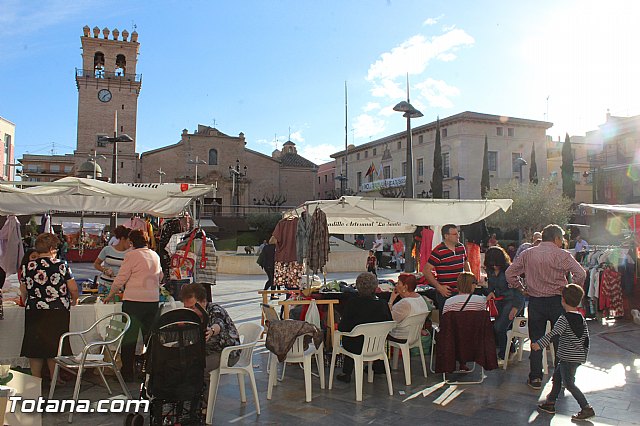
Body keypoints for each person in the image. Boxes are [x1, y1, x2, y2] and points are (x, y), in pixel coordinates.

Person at [506, 224, 586, 390]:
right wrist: (570, 291)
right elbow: (581, 273)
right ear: (556, 238)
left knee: (536, 339)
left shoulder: (528, 254)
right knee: (559, 340)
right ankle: (560, 379)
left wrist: (521, 287)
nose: (562, 242)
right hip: (558, 301)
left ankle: (535, 377)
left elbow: (510, 273)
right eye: (561, 238)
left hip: (536, 301)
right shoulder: (562, 254)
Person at [104, 229, 163, 382]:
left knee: (129, 339)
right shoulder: (154, 255)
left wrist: (110, 294)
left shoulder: (131, 255)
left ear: (131, 242)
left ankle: (127, 373)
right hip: (152, 301)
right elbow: (161, 276)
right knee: (150, 338)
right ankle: (150, 370)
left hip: (134, 301)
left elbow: (121, 278)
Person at [19, 233, 79, 380]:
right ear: (52, 248)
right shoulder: (61, 265)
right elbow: (73, 288)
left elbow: (23, 290)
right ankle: (54, 378)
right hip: (57, 310)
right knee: (54, 347)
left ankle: (36, 379)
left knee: (36, 347)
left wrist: (26, 300)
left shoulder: (28, 266)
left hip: (34, 310)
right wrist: (75, 300)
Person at [533, 284, 594, 421]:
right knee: (557, 378)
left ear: (563, 300)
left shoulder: (563, 319)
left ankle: (586, 407)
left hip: (567, 357)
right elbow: (586, 339)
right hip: (575, 357)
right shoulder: (581, 318)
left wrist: (539, 344)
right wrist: (583, 355)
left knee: (569, 384)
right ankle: (550, 402)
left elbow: (553, 334)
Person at [336, 272, 392, 383]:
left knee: (352, 337)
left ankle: (347, 373)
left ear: (358, 287)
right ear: (375, 287)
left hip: (355, 346)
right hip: (376, 346)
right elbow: (389, 323)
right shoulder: (382, 304)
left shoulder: (353, 303)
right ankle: (378, 366)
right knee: (373, 334)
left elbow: (343, 327)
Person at [180, 283, 240, 379]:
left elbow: (218, 324)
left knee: (199, 368)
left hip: (226, 352)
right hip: (206, 350)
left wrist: (211, 331)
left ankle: (205, 388)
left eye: (193, 307)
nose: (190, 311)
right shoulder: (192, 315)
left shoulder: (215, 310)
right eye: (187, 308)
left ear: (203, 302)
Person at [484, 246, 525, 364]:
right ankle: (510, 350)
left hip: (512, 300)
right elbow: (491, 286)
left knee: (500, 327)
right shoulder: (490, 271)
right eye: (492, 264)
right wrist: (490, 292)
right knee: (500, 327)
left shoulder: (510, 271)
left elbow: (519, 290)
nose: (494, 266)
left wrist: (515, 308)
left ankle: (503, 354)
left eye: (496, 263)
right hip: (500, 301)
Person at [423, 224, 471, 310]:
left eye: (458, 233)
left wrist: (470, 280)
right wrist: (439, 287)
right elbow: (426, 270)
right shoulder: (438, 251)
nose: (458, 236)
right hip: (446, 293)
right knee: (446, 317)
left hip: (461, 291)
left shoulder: (461, 247)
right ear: (446, 236)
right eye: (455, 234)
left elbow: (466, 263)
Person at [387, 274, 429, 342]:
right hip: (415, 335)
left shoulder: (405, 303)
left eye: (398, 283)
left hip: (402, 336)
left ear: (405, 287)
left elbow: (389, 320)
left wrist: (391, 300)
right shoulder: (420, 297)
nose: (396, 285)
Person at [93, 226, 131, 294]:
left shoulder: (131, 253)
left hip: (121, 287)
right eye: (129, 242)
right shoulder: (107, 249)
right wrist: (104, 270)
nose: (130, 245)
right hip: (104, 285)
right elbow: (96, 264)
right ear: (123, 239)